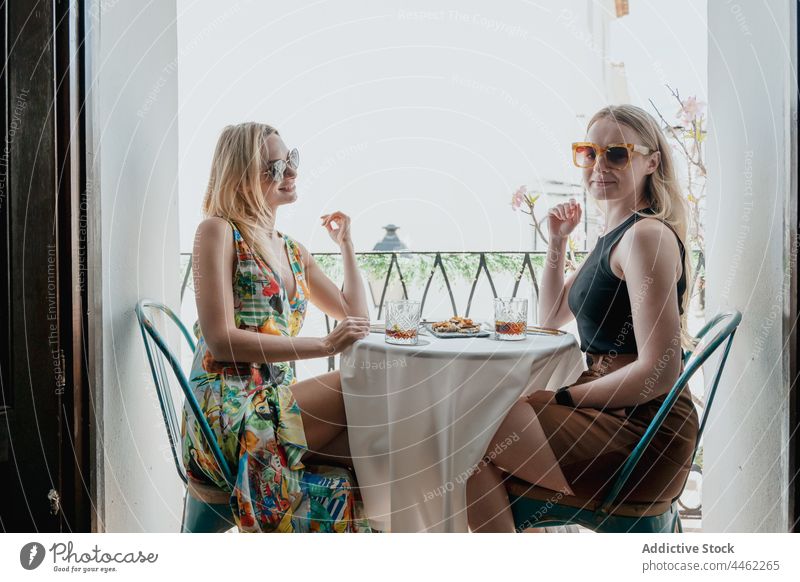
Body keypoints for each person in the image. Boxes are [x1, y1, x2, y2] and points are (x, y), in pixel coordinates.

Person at [466, 104, 699, 532]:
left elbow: (659, 373)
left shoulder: (645, 236)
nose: (598, 165)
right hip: (614, 408)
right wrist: (557, 242)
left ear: (651, 162)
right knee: (470, 441)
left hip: (643, 428)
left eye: (616, 154)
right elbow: (552, 316)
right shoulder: (616, 235)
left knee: (469, 437)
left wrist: (564, 399)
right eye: (589, 152)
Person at [181, 122, 371, 532]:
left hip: (277, 403)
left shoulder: (293, 250)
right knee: (355, 384)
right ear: (242, 174)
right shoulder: (217, 232)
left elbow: (356, 318)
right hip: (230, 408)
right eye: (275, 166)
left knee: (378, 458)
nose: (291, 173)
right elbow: (221, 340)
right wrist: (323, 345)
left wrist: (347, 245)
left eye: (292, 161)